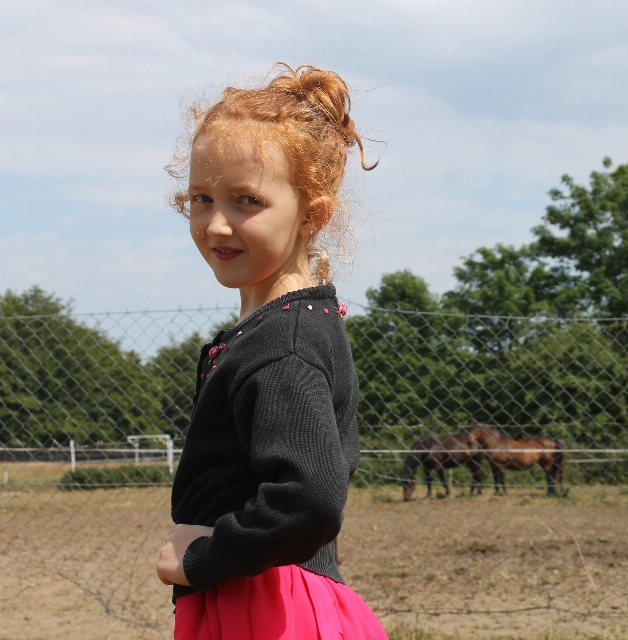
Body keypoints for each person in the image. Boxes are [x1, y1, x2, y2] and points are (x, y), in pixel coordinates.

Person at [156, 63, 387, 640]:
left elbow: (309, 500)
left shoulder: (282, 347)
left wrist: (204, 557)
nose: (216, 224)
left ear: (313, 213)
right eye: (201, 198)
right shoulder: (280, 327)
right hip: (257, 593)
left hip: (265, 604)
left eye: (247, 201)